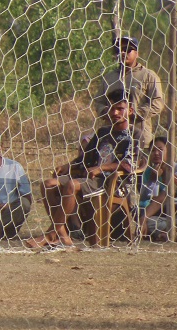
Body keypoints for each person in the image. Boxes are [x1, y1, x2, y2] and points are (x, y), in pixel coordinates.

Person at [30, 99, 144, 248]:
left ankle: (51, 234)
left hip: (111, 182)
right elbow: (86, 156)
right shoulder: (103, 131)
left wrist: (102, 168)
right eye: (112, 109)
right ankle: (63, 237)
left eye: (120, 109)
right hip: (89, 178)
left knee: (71, 185)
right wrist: (67, 166)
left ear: (130, 111)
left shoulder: (135, 134)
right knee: (48, 185)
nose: (115, 113)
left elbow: (129, 164)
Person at [93, 35, 163, 139]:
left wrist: (133, 114)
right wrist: (108, 112)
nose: (122, 53)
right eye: (119, 50)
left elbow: (158, 103)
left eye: (128, 50)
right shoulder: (109, 77)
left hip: (139, 135)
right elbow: (98, 101)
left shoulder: (148, 75)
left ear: (137, 53)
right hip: (112, 136)